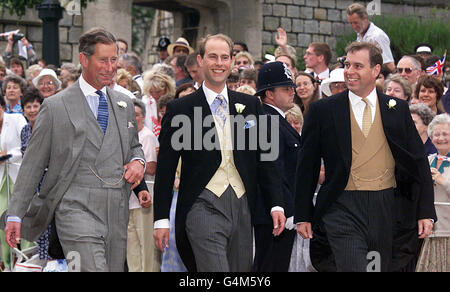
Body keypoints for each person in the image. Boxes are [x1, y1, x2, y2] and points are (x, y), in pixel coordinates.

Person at [1, 28, 146, 272]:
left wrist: (138, 162)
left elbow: (135, 147)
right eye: (103, 60)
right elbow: (33, 164)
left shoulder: (124, 106)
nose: (110, 67)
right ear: (83, 59)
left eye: (114, 60)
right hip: (74, 209)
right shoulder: (55, 107)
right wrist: (15, 214)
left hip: (116, 210)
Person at [295, 41, 436, 272]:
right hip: (342, 206)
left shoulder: (397, 109)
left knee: (379, 268)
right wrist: (303, 213)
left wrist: (425, 211)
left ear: (376, 70)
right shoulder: (323, 110)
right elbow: (307, 164)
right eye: (347, 65)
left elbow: (417, 161)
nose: (349, 71)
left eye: (358, 66)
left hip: (387, 207)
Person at [153, 33, 286, 272]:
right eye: (212, 57)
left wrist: (276, 203)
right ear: (201, 60)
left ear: (232, 61)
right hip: (201, 205)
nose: (219, 63)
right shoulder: (180, 108)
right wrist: (161, 219)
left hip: (243, 205)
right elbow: (165, 168)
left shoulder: (252, 106)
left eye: (225, 57)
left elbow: (267, 159)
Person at [253, 61, 299, 272]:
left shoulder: (275, 120)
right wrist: (284, 207)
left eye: (292, 87)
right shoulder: (268, 121)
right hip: (274, 213)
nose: (292, 92)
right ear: (269, 94)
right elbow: (273, 169)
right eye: (286, 88)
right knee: (270, 267)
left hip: (277, 211)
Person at [127, 99, 160, 272]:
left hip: (145, 198)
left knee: (147, 247)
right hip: (128, 201)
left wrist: (133, 166)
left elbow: (153, 167)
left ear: (143, 117)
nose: (134, 118)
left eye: (137, 114)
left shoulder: (146, 135)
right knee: (132, 248)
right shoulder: (126, 136)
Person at [416, 114, 450, 272]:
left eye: (445, 134)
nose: (440, 138)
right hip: (431, 232)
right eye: (436, 134)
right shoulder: (427, 161)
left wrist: (444, 181)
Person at [0, 94, 28, 271]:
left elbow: (27, 145)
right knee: (2, 223)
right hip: (1, 180)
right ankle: (7, 264)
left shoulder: (17, 119)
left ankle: (26, 262)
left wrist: (8, 155)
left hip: (18, 177)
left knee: (23, 220)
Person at [346, 3, 395, 72]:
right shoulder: (360, 35)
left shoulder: (377, 36)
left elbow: (390, 66)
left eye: (356, 23)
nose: (353, 26)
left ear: (365, 18)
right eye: (351, 23)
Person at [141, 71, 176, 136]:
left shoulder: (174, 102)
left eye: (158, 92)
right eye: (151, 92)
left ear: (166, 89)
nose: (155, 95)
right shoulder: (145, 102)